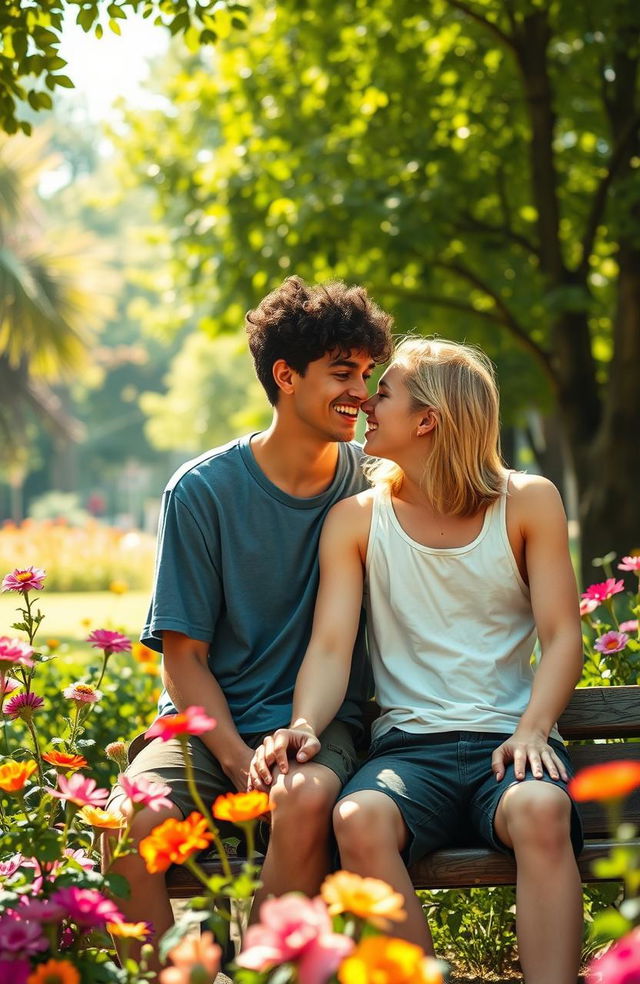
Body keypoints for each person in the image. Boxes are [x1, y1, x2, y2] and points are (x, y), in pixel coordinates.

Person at [250, 336, 584, 984]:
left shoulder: (529, 500)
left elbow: (563, 633)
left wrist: (533, 729)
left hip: (509, 744)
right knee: (358, 815)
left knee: (543, 809)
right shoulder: (355, 519)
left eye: (385, 394)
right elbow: (329, 646)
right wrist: (307, 724)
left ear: (427, 420)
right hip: (408, 752)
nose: (366, 405)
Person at [103, 276, 393, 972]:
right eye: (342, 374)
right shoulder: (202, 491)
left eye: (368, 374)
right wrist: (236, 759)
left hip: (317, 728)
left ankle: (257, 972)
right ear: (285, 376)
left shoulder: (376, 482)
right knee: (127, 827)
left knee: (300, 798)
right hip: (208, 730)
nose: (361, 391)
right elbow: (184, 657)